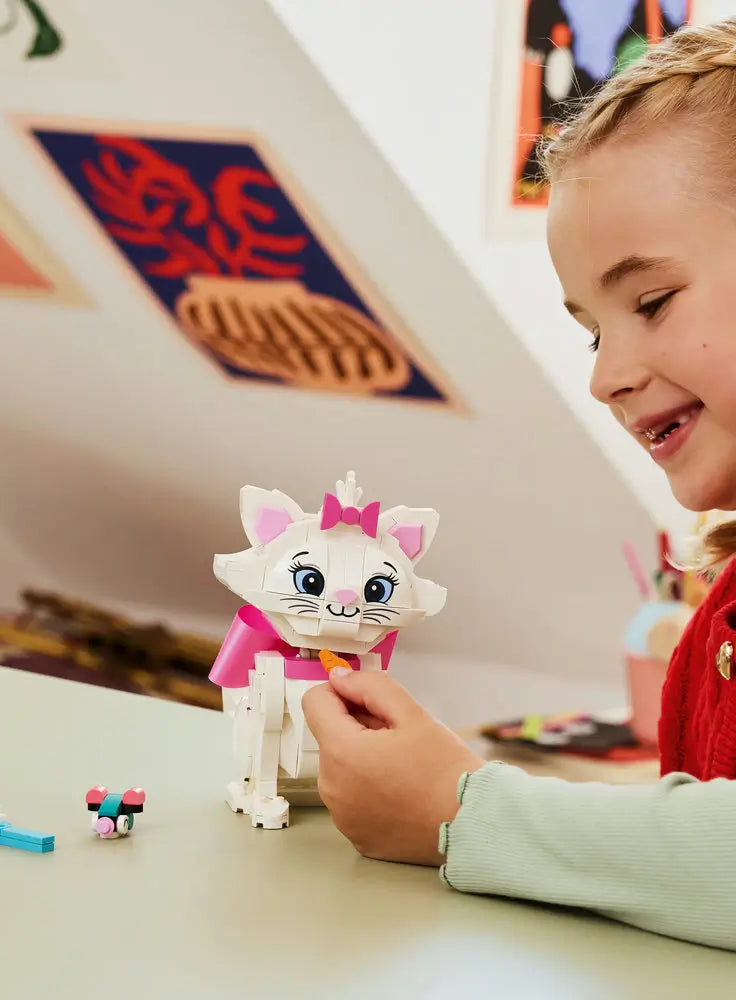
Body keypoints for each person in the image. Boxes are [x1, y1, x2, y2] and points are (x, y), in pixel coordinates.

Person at [301, 16, 736, 953]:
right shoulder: (718, 618)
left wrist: (460, 809)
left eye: (652, 302)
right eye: (592, 332)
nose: (605, 376)